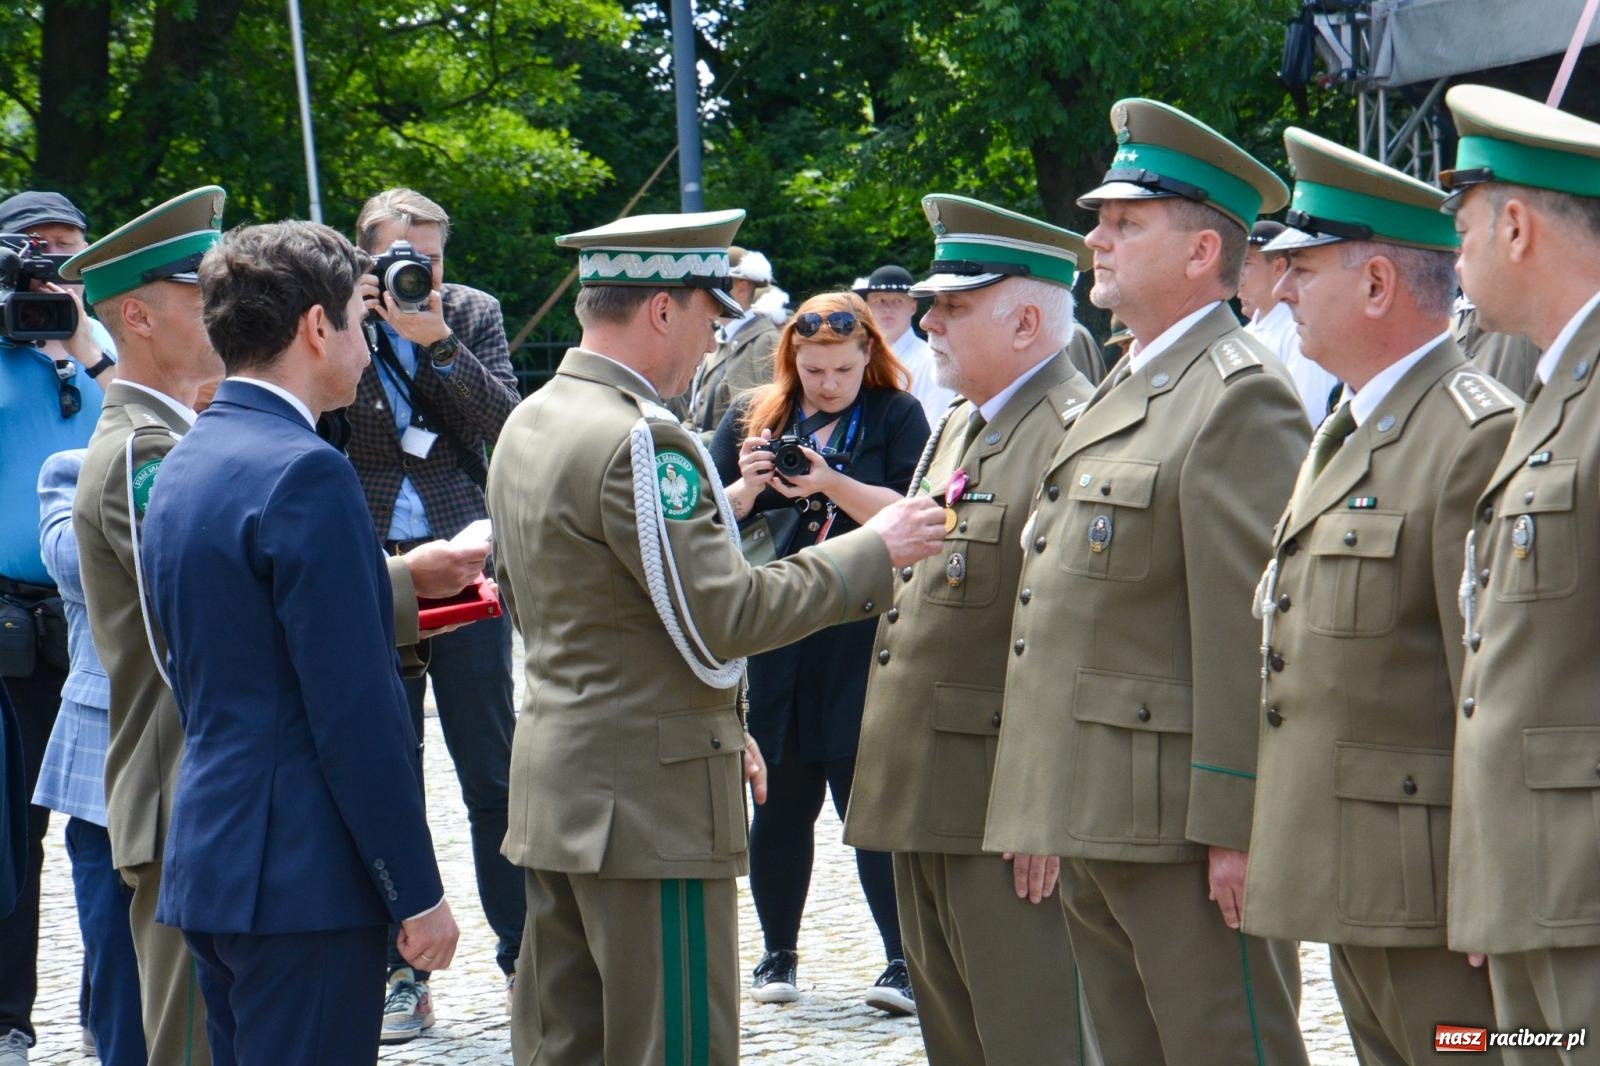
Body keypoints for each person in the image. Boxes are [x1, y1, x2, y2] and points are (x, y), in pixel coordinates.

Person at [487, 209, 947, 1066]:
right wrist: (872, 551)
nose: (713, 343)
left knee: (565, 1046)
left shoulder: (535, 416)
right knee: (676, 1046)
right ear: (663, 309)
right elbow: (725, 613)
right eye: (709, 316)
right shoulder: (643, 439)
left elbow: (551, 600)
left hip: (559, 789)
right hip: (650, 802)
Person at [983, 98, 1313, 1066]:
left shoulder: (1238, 393)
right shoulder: (1127, 383)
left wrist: (1237, 823)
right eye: (1103, 221)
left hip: (1177, 827)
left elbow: (1251, 629)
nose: (1096, 239)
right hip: (1095, 804)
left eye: (1126, 223)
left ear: (1202, 253)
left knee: (1225, 1045)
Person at [138, 219, 461, 1064]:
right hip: (303, 882)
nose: (366, 345)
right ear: (318, 327)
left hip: (215, 857)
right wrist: (416, 891)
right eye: (359, 320)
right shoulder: (306, 471)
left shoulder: (189, 456)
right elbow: (356, 711)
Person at [1240, 127, 1515, 1065]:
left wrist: (1492, 882)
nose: (1281, 289)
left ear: (1376, 284)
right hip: (1355, 874)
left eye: (1302, 268)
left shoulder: (1470, 434)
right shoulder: (1353, 426)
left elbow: (1489, 687)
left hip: (1430, 891)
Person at [843, 194, 1098, 1065]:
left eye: (953, 307)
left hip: (1001, 806)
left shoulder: (1074, 430)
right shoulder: (963, 420)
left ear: (1026, 321)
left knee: (1034, 1040)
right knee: (956, 1040)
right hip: (929, 790)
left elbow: (1078, 634)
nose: (927, 323)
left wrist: (1046, 803)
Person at [710, 289, 929, 1012]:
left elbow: (912, 516)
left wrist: (830, 480)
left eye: (841, 369)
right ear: (790, 360)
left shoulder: (896, 415)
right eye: (812, 370)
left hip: (862, 634)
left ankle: (902, 959)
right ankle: (778, 952)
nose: (827, 384)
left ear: (868, 356)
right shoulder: (752, 416)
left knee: (869, 802)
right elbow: (701, 521)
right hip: (775, 633)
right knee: (778, 799)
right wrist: (746, 486)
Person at [1442, 84, 1600, 1062]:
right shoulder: (1550, 390)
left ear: (1515, 225)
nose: (1453, 255)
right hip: (1533, 881)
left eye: (1462, 228)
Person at [346, 186, 524, 1041]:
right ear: (365, 256)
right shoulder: (335, 313)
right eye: (400, 259)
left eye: (433, 260)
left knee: (494, 770)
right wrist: (363, 322)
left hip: (464, 556)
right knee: (391, 772)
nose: (418, 274)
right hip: (371, 563)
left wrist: (437, 341)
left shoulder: (471, 313)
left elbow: (507, 424)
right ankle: (401, 972)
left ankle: (526, 957)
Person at [0, 189, 109, 1066]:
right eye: (35, 253)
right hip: (7, 621)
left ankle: (110, 1014)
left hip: (97, 615)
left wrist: (81, 340)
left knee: (105, 827)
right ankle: (9, 1017)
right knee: (9, 840)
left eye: (69, 254)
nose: (52, 271)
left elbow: (160, 414)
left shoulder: (101, 342)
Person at [33, 448, 147, 1066]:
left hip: (216, 751)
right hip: (106, 766)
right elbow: (79, 569)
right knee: (119, 968)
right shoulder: (74, 467)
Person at [1240, 219, 1340, 425]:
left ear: (1278, 266)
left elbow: (1307, 416)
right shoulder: (1245, 333)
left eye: (1246, 263)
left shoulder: (1300, 332)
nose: (1236, 271)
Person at [689, 246, 780, 436]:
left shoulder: (766, 342)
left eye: (718, 283)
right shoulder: (719, 336)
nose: (705, 291)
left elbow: (761, 422)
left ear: (742, 287)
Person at [853, 264, 955, 421]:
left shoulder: (931, 361)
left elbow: (936, 425)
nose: (888, 309)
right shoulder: (856, 357)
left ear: (913, 307)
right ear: (867, 306)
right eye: (880, 300)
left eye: (897, 301)